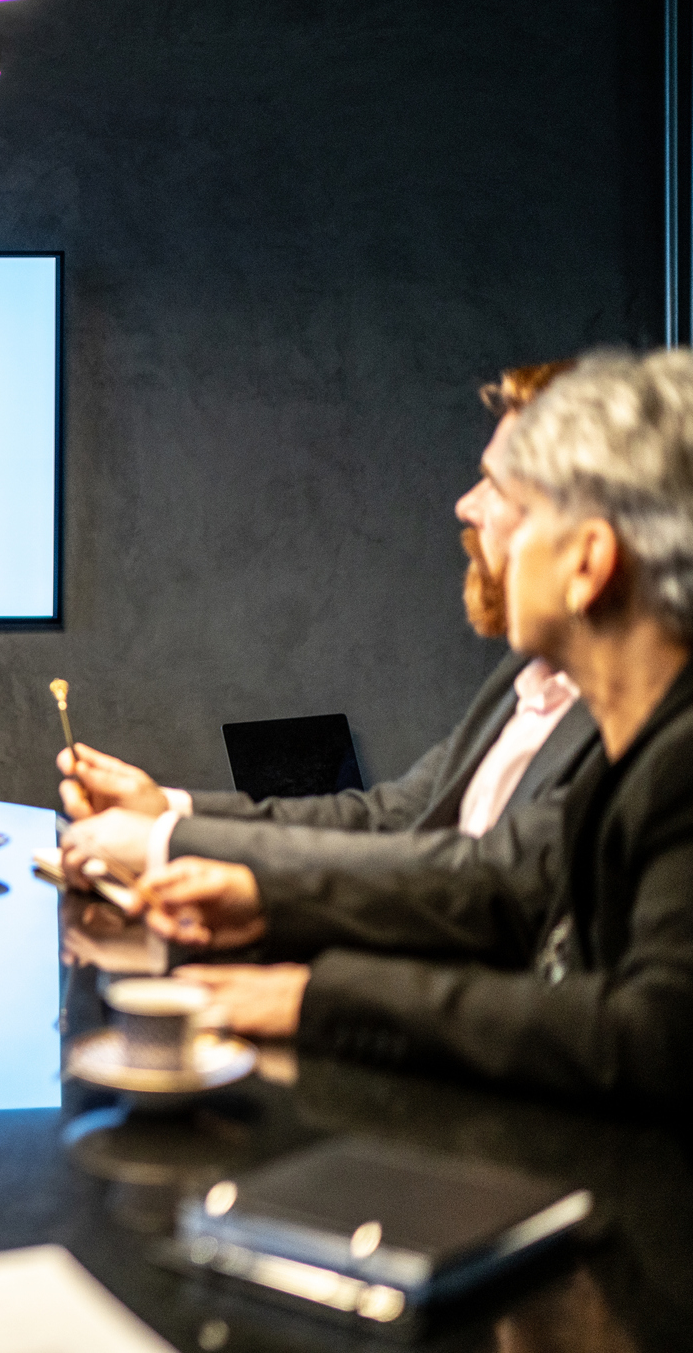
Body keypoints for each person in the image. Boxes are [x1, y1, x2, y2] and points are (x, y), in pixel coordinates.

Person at [132, 348, 693, 1103]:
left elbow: (651, 1041)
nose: (474, 515)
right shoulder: (636, 745)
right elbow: (508, 888)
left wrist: (316, 998)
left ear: (588, 562)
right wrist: (268, 906)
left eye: (515, 504)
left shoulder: (675, 759)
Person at [59, 361, 597, 900]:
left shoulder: (635, 733)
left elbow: (476, 881)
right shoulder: (523, 678)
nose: (465, 505)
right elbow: (391, 818)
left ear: (589, 547)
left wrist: (169, 844)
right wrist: (169, 809)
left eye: (495, 486)